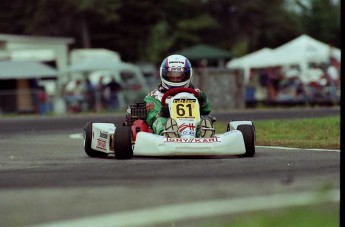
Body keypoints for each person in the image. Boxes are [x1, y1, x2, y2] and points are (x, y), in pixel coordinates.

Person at [143, 54, 214, 138]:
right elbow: (151, 118)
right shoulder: (154, 96)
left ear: (187, 75)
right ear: (164, 74)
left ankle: (204, 134)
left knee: (203, 120)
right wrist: (161, 113)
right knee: (160, 121)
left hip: (192, 124)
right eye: (171, 76)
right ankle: (168, 134)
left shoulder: (195, 94)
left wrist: (202, 100)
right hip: (167, 124)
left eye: (179, 76)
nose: (175, 79)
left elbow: (206, 110)